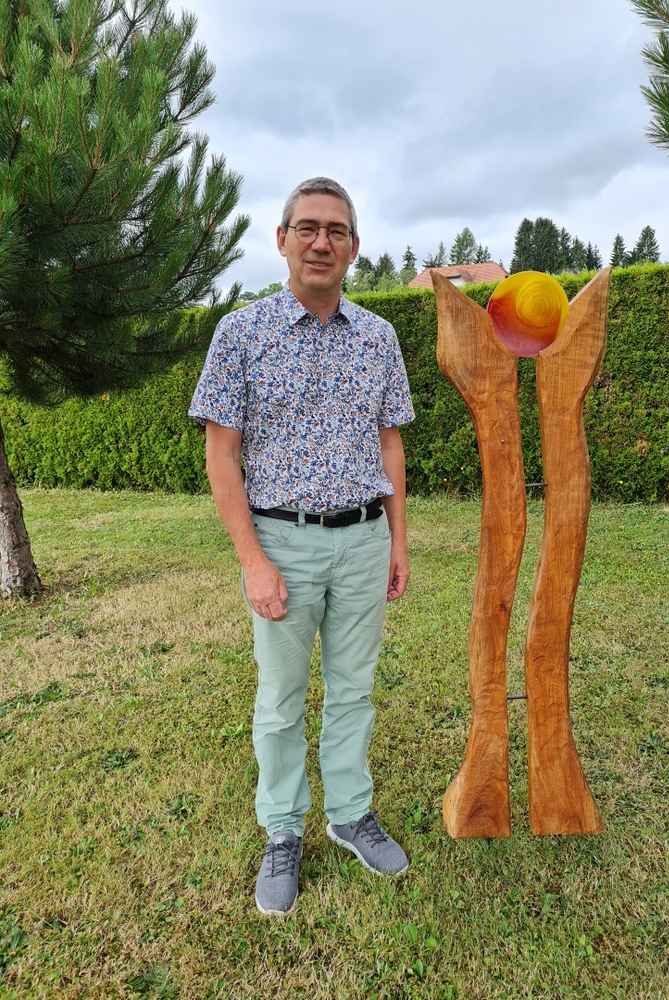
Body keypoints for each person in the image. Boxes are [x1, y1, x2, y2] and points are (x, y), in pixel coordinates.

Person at [189, 177, 415, 915]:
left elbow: (389, 443)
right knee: (281, 698)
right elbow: (222, 453)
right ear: (282, 239)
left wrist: (398, 541)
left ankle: (350, 813)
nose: (322, 242)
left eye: (336, 230)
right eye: (308, 228)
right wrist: (252, 560)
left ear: (354, 247)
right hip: (281, 541)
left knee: (354, 689)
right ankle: (283, 828)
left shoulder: (378, 338)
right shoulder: (241, 334)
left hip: (364, 539)